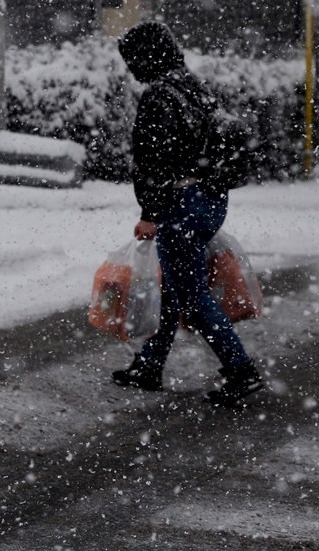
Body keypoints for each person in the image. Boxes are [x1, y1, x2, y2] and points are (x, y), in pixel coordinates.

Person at [110, 22, 263, 407]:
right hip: (209, 198)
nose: (131, 69)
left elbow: (153, 162)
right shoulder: (195, 87)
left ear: (147, 57)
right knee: (174, 288)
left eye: (132, 60)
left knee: (192, 295)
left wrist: (150, 212)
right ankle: (150, 364)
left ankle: (240, 369)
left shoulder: (160, 97)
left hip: (180, 201)